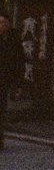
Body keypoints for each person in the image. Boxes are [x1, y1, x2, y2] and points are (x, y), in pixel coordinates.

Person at [0, 10, 26, 148]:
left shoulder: (14, 39)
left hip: (5, 79)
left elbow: (19, 61)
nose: (1, 25)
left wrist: (18, 84)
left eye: (3, 22)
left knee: (1, 108)